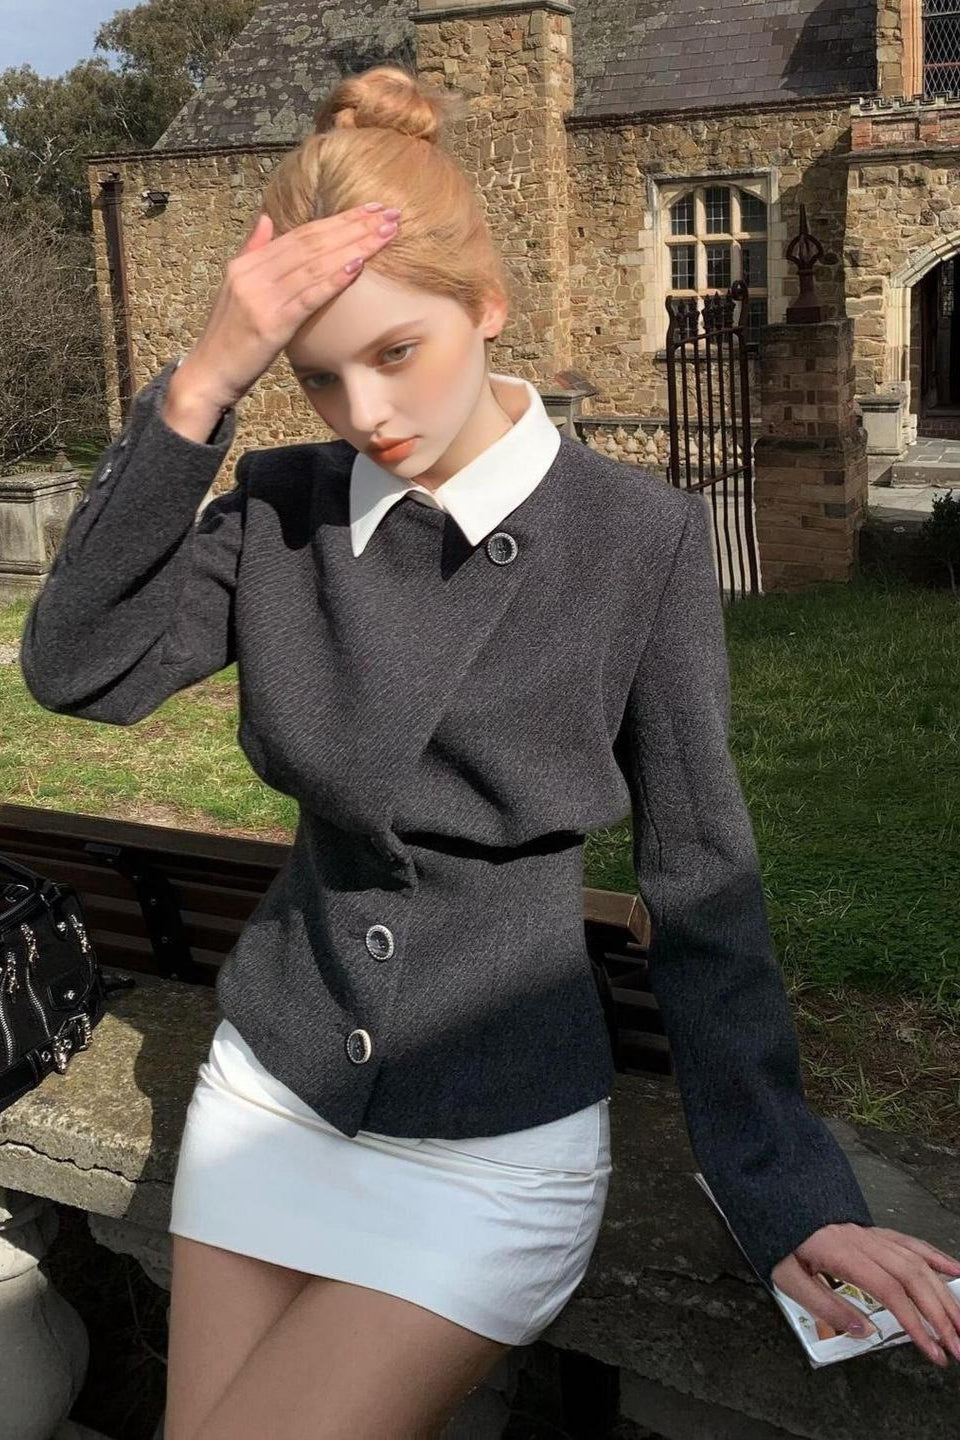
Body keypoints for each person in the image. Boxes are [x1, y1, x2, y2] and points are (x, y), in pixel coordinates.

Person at [19, 61, 960, 1440]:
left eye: (398, 353)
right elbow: (77, 669)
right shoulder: (282, 510)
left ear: (489, 305)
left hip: (492, 1141)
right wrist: (206, 379)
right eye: (317, 376)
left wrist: (789, 1190)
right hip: (270, 1093)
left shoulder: (634, 538)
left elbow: (701, 873)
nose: (366, 414)